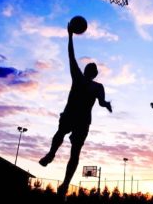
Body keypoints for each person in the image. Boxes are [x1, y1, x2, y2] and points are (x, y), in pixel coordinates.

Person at [39, 22, 112, 196]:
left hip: (80, 120)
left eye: (92, 68)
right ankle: (51, 155)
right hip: (74, 116)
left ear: (92, 73)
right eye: (90, 67)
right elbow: (71, 56)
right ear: (89, 71)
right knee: (61, 137)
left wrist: (106, 104)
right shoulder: (82, 79)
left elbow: (101, 102)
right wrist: (70, 36)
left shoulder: (95, 85)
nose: (90, 69)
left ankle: (64, 184)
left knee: (72, 150)